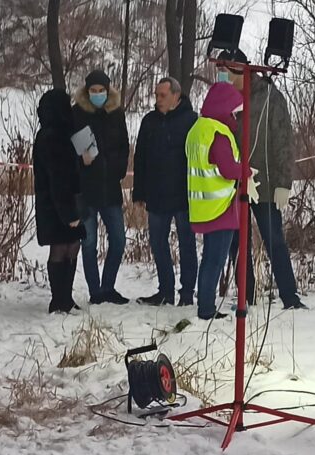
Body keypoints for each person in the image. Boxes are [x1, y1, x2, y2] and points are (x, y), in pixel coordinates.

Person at [226, 53, 306, 310]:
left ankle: (290, 297)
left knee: (273, 239)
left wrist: (284, 182)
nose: (226, 78)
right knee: (237, 243)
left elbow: (283, 141)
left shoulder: (271, 98)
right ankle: (245, 297)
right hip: (235, 184)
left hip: (266, 184)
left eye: (230, 72)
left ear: (244, 72)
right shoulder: (225, 99)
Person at [132, 76, 198, 307]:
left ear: (176, 96)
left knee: (187, 244)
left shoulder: (191, 120)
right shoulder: (149, 121)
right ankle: (165, 291)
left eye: (162, 95)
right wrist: (138, 192)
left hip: (183, 195)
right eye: (156, 95)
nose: (158, 99)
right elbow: (140, 158)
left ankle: (187, 293)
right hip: (157, 193)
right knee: (158, 243)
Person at [187, 82, 249, 321]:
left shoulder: (198, 129)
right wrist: (246, 171)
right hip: (220, 207)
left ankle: (205, 304)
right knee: (215, 260)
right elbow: (227, 169)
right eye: (234, 110)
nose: (236, 115)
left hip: (202, 205)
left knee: (209, 259)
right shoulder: (219, 133)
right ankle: (206, 309)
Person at [71, 70, 130, 305]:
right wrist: (80, 161)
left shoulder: (116, 113)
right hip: (85, 190)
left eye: (101, 91)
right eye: (93, 91)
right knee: (89, 243)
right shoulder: (76, 114)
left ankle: (108, 287)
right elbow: (68, 148)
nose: (97, 94)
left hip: (110, 189)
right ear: (87, 92)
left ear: (108, 90)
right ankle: (95, 292)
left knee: (119, 240)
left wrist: (117, 168)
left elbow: (124, 146)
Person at [33, 89, 85, 314]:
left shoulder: (58, 133)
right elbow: (60, 179)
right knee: (61, 249)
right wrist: (70, 214)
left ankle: (65, 297)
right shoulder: (54, 137)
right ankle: (59, 299)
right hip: (59, 205)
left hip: (58, 203)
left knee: (70, 247)